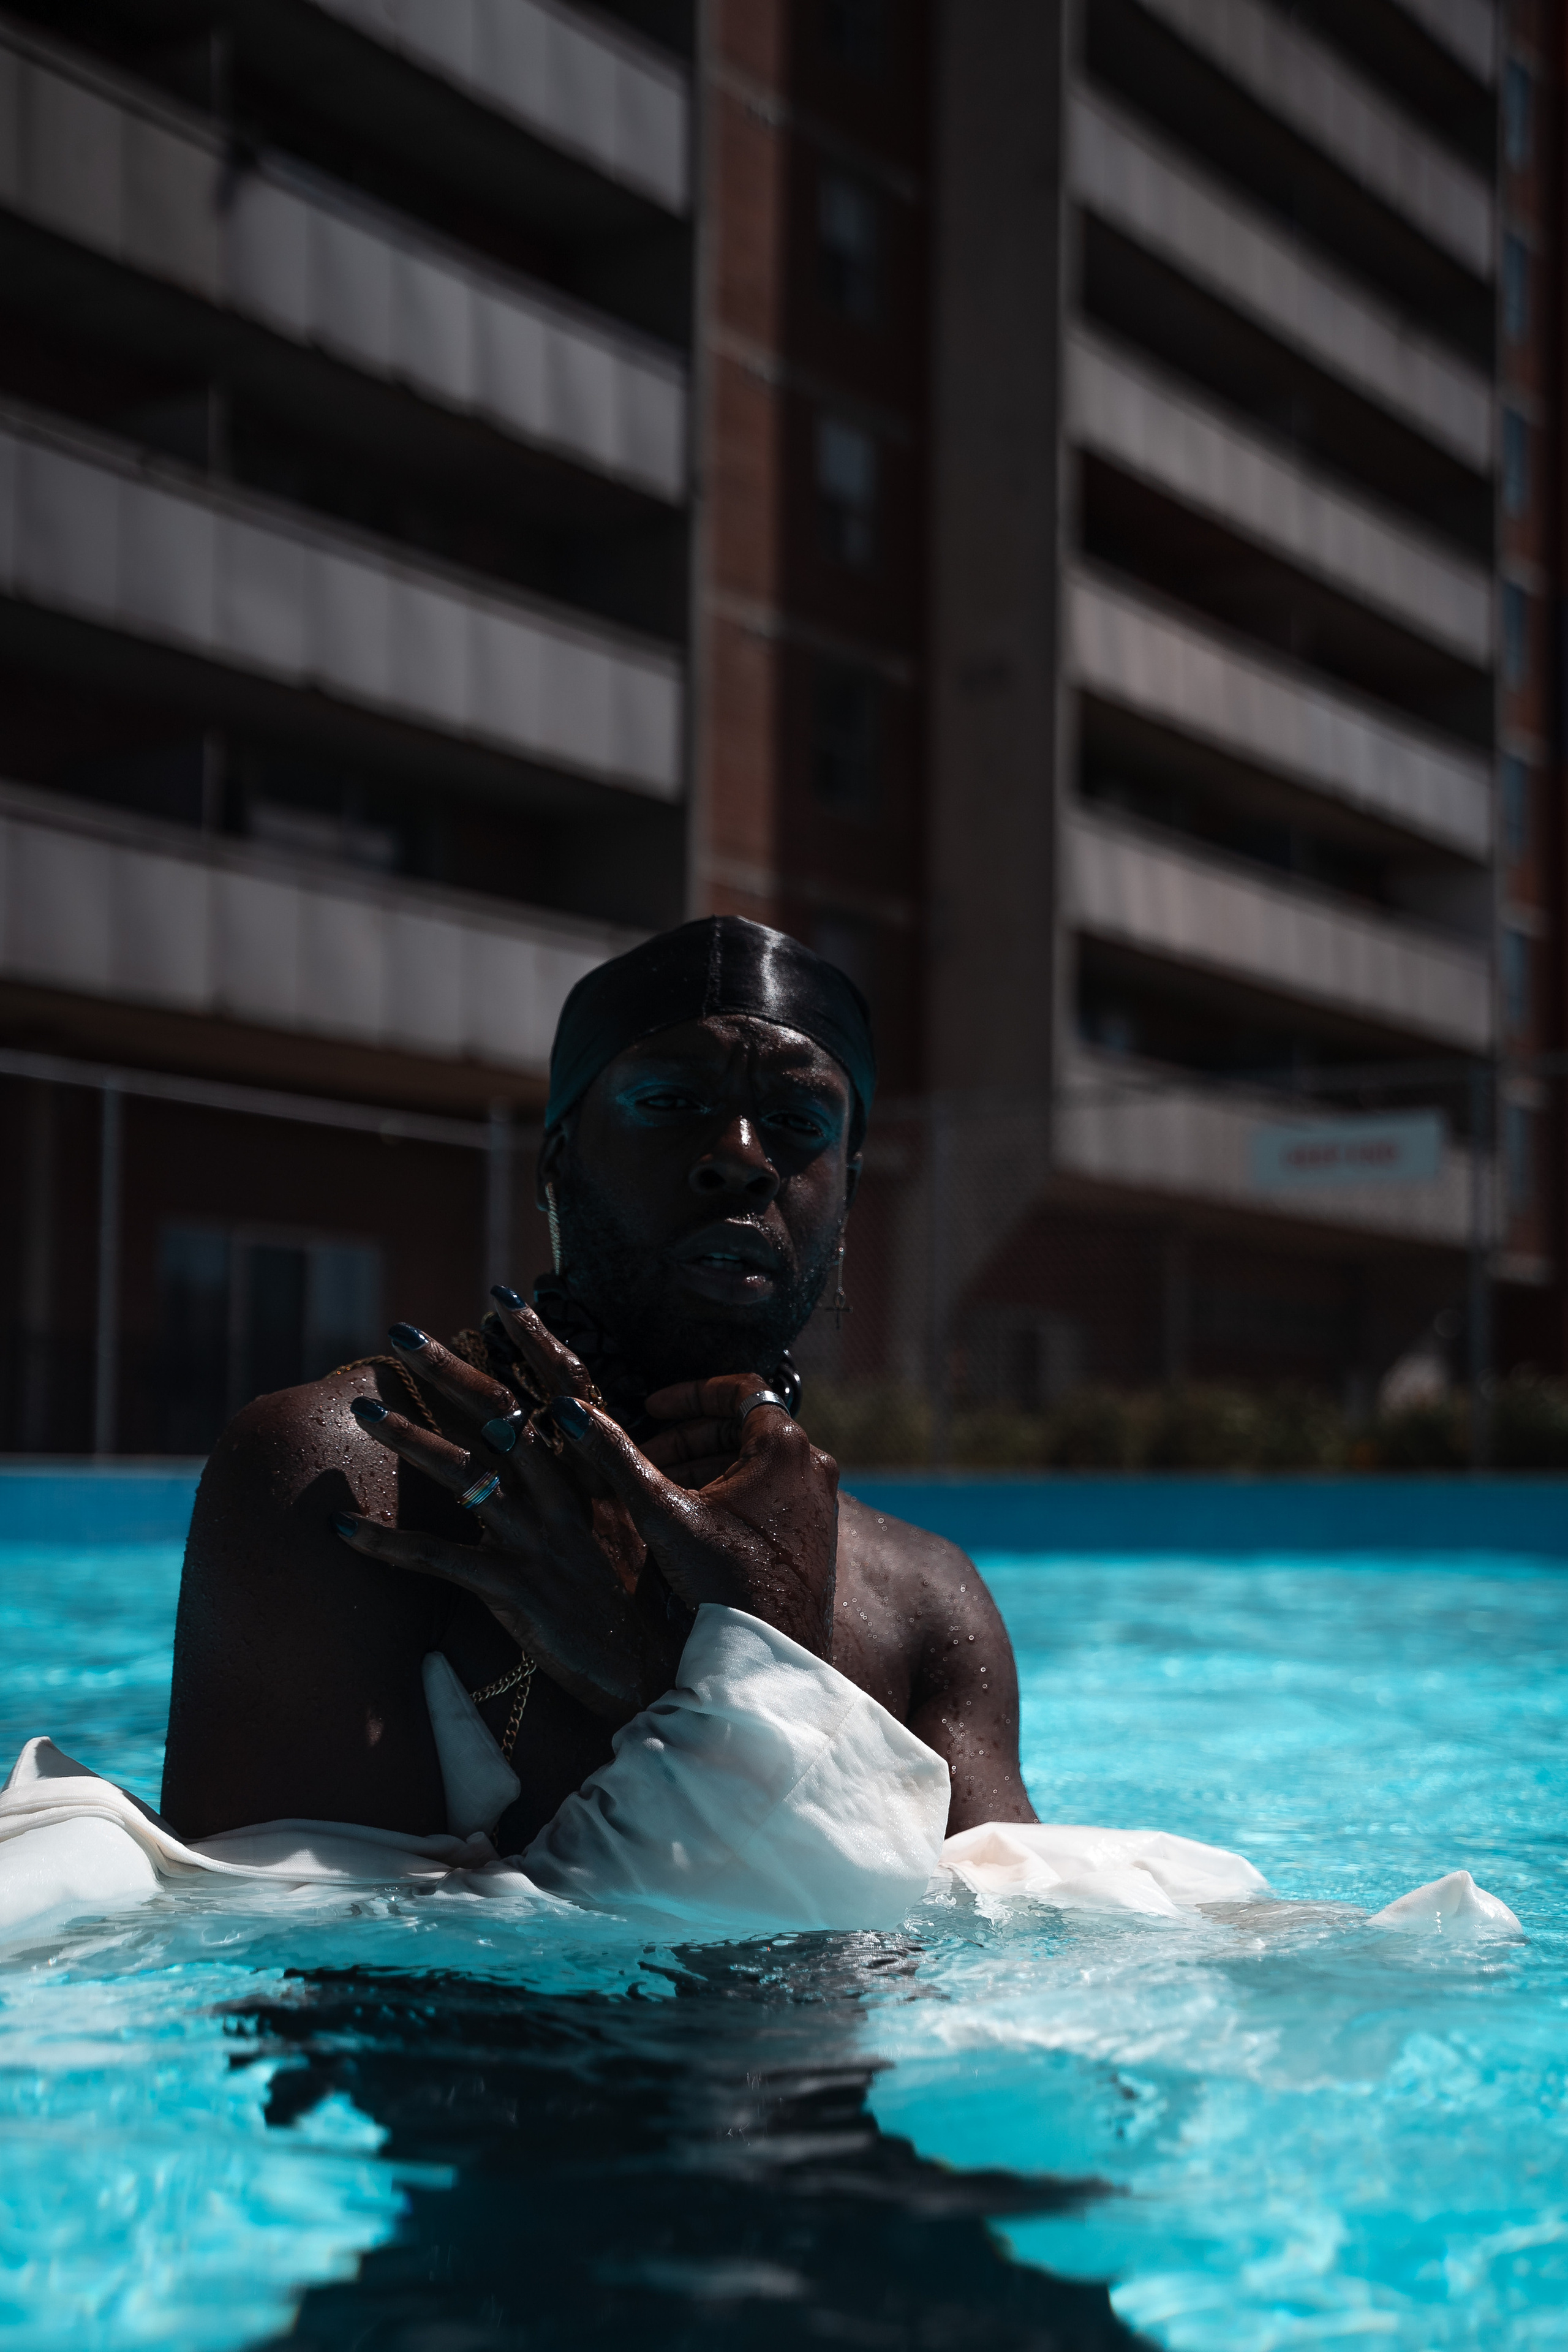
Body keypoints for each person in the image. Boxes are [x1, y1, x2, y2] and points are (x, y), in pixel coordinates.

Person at [160, 917, 1037, 1852]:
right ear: (556, 1164)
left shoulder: (927, 1603)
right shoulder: (353, 1477)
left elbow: (1001, 1983)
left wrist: (718, 1682)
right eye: (669, 1101)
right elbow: (303, 1970)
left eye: (795, 1123)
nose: (742, 1153)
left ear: (848, 1198)